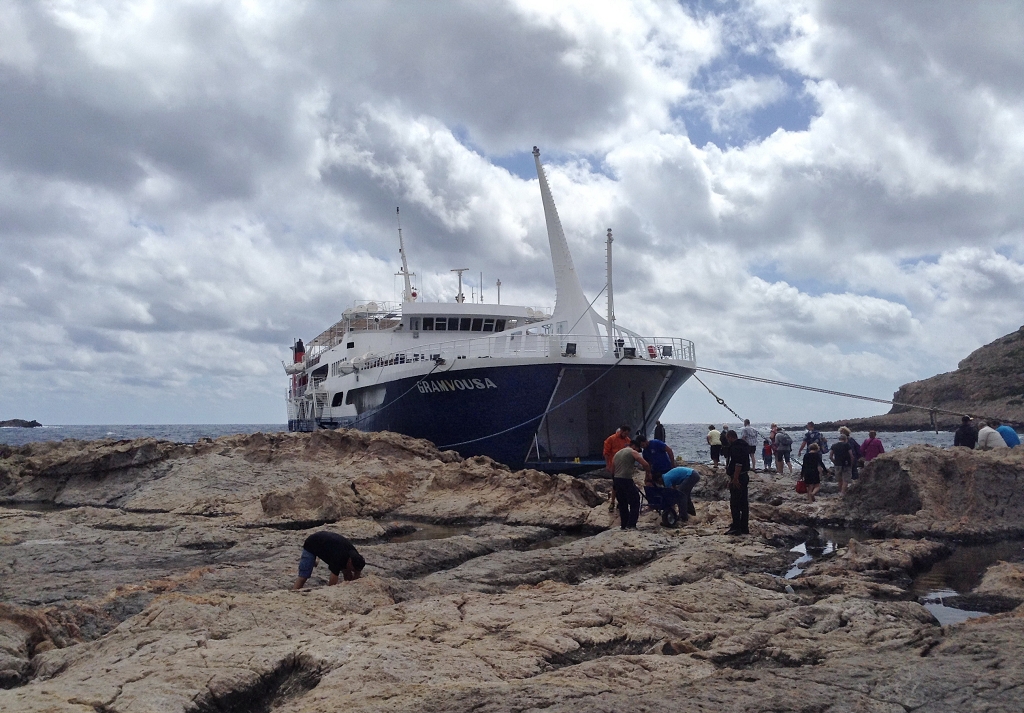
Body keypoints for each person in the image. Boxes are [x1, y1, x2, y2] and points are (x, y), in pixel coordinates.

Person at [293, 531, 365, 590]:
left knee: (347, 572)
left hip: (327, 544)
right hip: (312, 543)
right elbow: (331, 586)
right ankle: (293, 593)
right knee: (304, 576)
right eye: (353, 569)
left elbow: (355, 576)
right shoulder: (339, 558)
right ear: (350, 562)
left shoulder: (356, 557)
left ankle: (314, 561)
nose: (354, 571)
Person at [612, 440, 650, 530]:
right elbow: (645, 464)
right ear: (634, 446)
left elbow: (612, 469)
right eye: (637, 449)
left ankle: (624, 525)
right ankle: (632, 524)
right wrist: (648, 473)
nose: (637, 451)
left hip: (617, 479)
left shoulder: (617, 453)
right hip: (626, 479)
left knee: (622, 503)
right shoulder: (632, 452)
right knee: (635, 501)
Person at [724, 430, 750, 535]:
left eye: (727, 438)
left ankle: (736, 527)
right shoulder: (743, 445)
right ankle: (744, 526)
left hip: (738, 476)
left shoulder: (735, 447)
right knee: (744, 502)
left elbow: (738, 463)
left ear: (730, 437)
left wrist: (735, 478)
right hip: (744, 475)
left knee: (734, 503)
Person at [603, 425, 632, 511]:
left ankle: (621, 502)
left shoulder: (627, 440)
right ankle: (612, 502)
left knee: (623, 485)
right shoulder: (611, 439)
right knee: (616, 485)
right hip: (614, 466)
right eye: (625, 433)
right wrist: (608, 465)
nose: (626, 435)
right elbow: (606, 452)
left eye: (627, 434)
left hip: (624, 467)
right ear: (621, 431)